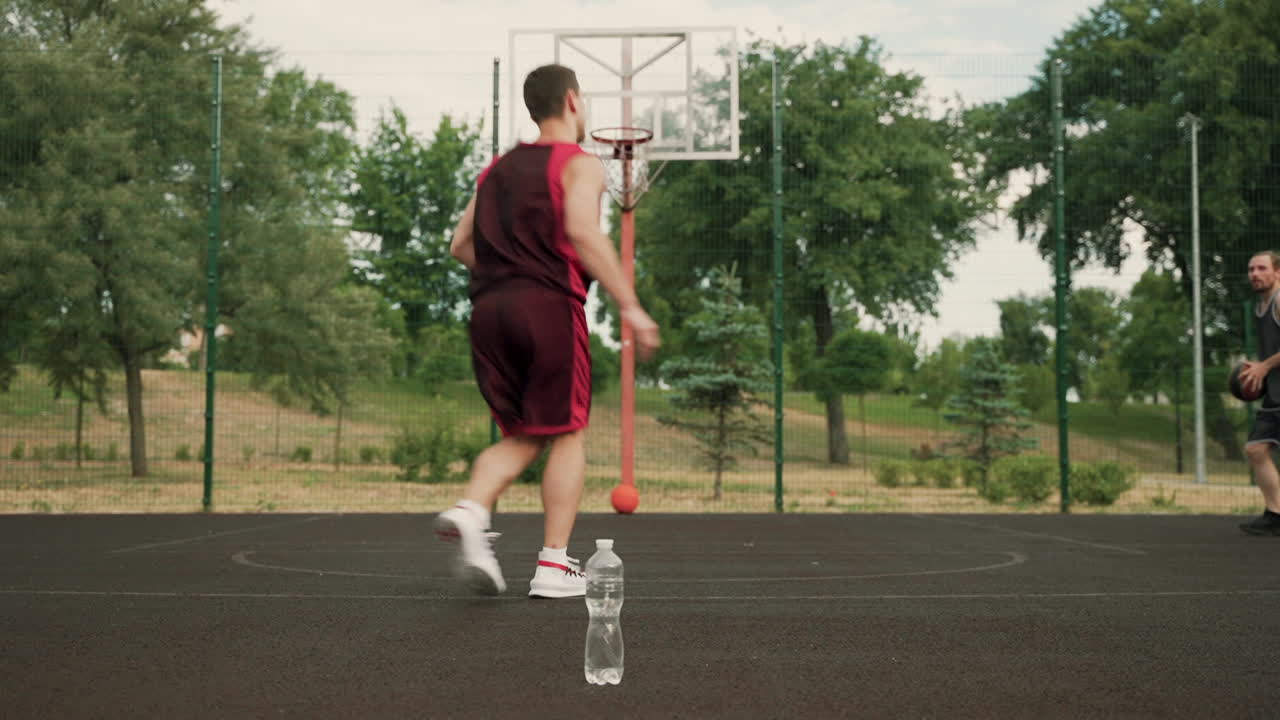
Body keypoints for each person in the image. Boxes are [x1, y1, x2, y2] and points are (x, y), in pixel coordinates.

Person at [433, 64, 661, 595]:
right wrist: (631, 305)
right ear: (574, 102)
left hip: (489, 311)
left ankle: (472, 510)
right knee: (567, 429)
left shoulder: (496, 169)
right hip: (547, 308)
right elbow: (582, 230)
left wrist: (507, 275)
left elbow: (460, 246)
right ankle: (553, 563)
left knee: (526, 434)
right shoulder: (578, 164)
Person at [1239, 250, 1280, 535]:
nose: (1255, 273)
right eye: (1251, 269)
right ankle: (1275, 514)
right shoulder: (1260, 306)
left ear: (1277, 272)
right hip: (1276, 395)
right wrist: (1259, 366)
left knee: (1257, 449)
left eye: (1261, 268)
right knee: (1256, 449)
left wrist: (1264, 366)